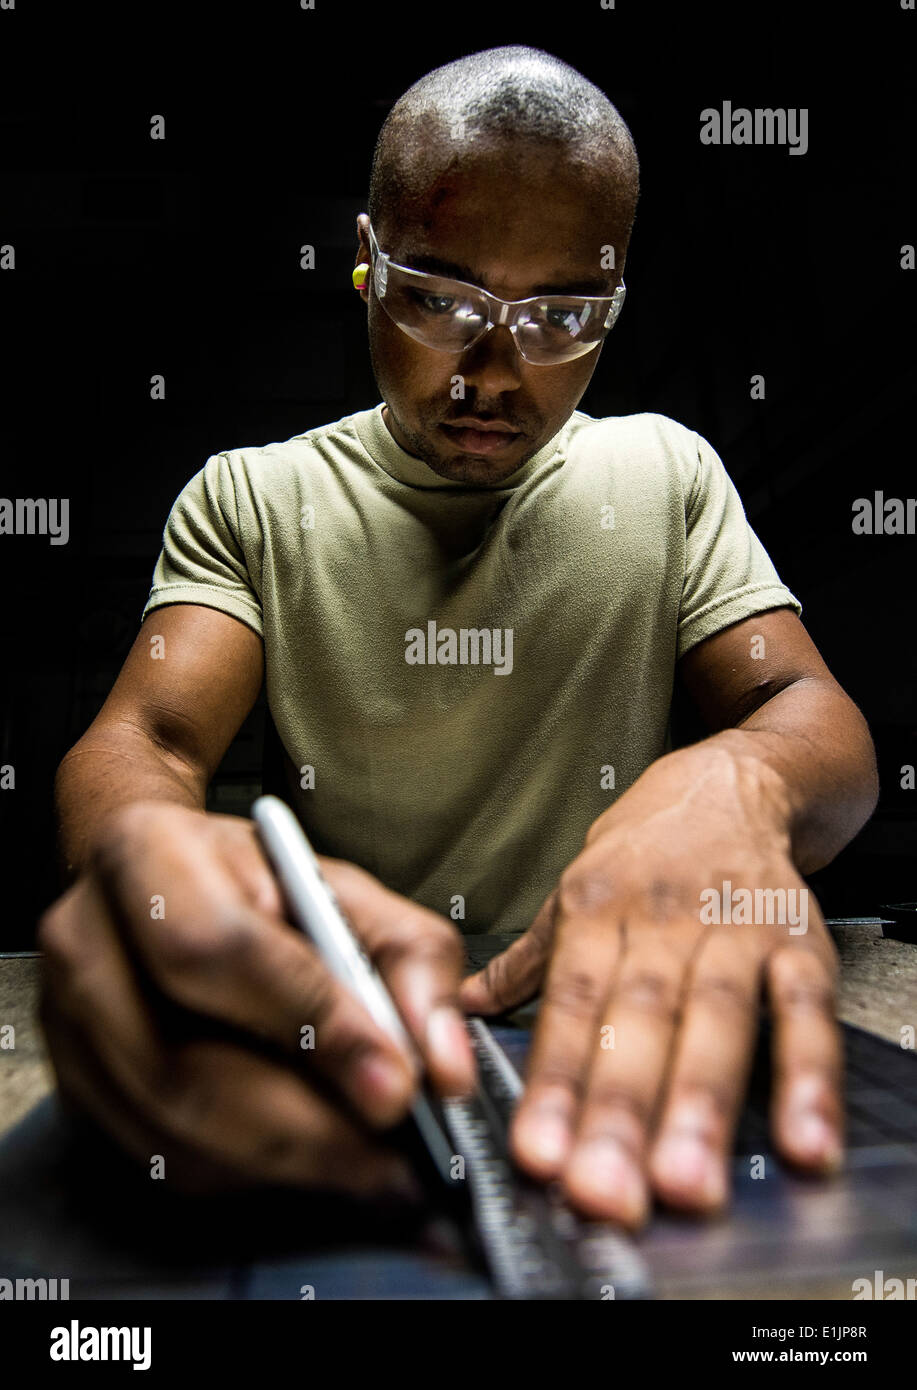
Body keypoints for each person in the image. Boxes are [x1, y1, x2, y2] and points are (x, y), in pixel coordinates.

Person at [38, 45, 878, 1228]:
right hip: (348, 1038)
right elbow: (147, 742)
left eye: (561, 316)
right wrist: (148, 861)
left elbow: (814, 724)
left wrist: (742, 779)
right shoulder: (252, 498)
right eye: (439, 298)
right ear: (364, 266)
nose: (495, 372)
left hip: (618, 1024)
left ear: (617, 296)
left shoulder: (666, 473)